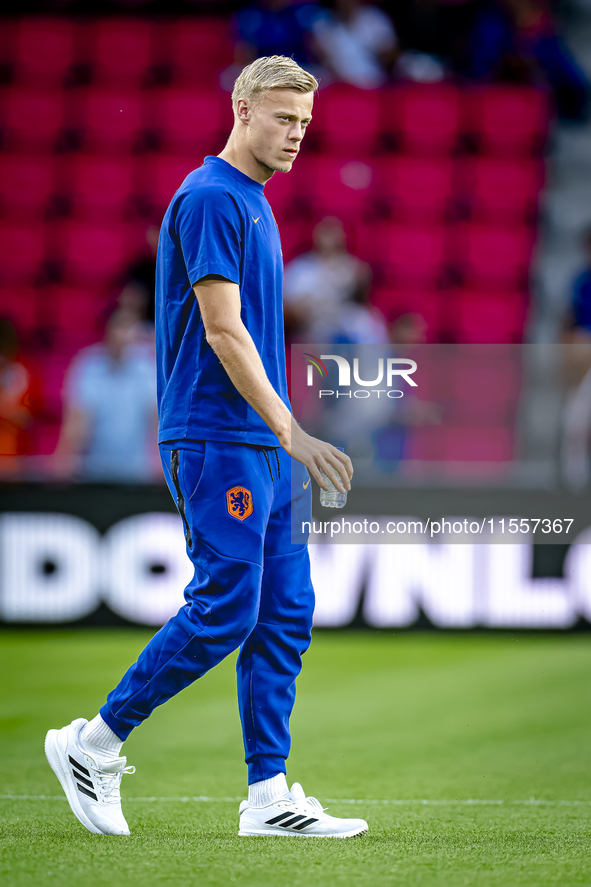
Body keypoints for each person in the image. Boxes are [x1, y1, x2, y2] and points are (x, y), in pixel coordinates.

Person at [45, 55, 367, 840]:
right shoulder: (211, 199)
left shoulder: (254, 202)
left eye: (304, 123)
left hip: (260, 438)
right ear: (242, 106)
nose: (295, 135)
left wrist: (282, 432)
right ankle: (94, 742)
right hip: (217, 434)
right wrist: (291, 427)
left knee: (284, 611)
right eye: (283, 117)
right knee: (226, 606)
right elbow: (223, 330)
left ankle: (268, 795)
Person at [53, 309, 158, 482]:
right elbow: (76, 421)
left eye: (128, 328)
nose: (123, 334)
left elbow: (155, 420)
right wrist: (63, 461)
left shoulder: (147, 367)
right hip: (95, 472)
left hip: (138, 474)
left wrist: (160, 465)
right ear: (107, 331)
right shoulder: (87, 365)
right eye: (119, 327)